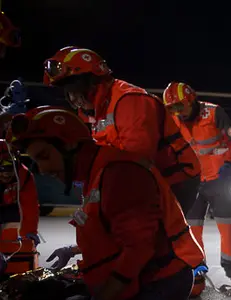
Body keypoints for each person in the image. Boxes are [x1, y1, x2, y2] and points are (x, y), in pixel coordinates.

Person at [6, 106, 231, 300]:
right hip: (134, 279)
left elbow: (139, 248)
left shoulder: (120, 173)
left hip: (160, 279)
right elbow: (116, 231)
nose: (42, 169)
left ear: (70, 146)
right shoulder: (97, 171)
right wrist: (75, 250)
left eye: (43, 156)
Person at [42, 47, 202, 215]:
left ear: (92, 82)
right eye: (68, 92)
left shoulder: (130, 102)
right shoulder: (98, 108)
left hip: (175, 178)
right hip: (148, 176)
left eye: (74, 90)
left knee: (148, 227)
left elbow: (137, 162)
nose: (73, 98)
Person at [163, 82, 231, 288]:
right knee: (191, 229)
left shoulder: (214, 113)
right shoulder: (173, 119)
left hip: (219, 179)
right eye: (172, 109)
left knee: (228, 225)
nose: (177, 113)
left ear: (192, 101)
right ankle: (198, 271)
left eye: (180, 107)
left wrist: (229, 164)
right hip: (191, 181)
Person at [0, 142, 40, 275]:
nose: (6, 176)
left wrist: (30, 231)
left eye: (9, 172)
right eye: (2, 172)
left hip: (11, 207)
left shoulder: (24, 175)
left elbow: (30, 205)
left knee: (14, 232)